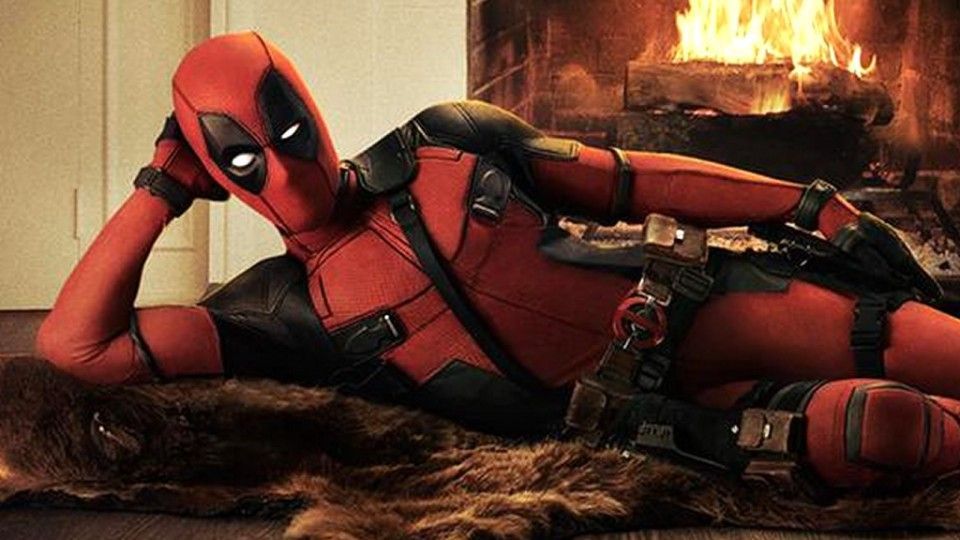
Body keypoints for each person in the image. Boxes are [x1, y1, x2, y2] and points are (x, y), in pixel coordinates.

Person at [35, 32, 960, 493]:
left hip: (703, 302)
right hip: (669, 424)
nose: (281, 168)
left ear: (310, 109)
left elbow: (629, 178)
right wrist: (157, 191)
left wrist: (807, 203)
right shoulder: (279, 311)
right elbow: (77, 350)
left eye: (285, 131)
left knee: (932, 346)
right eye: (242, 159)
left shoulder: (447, 141)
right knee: (881, 428)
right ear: (215, 174)